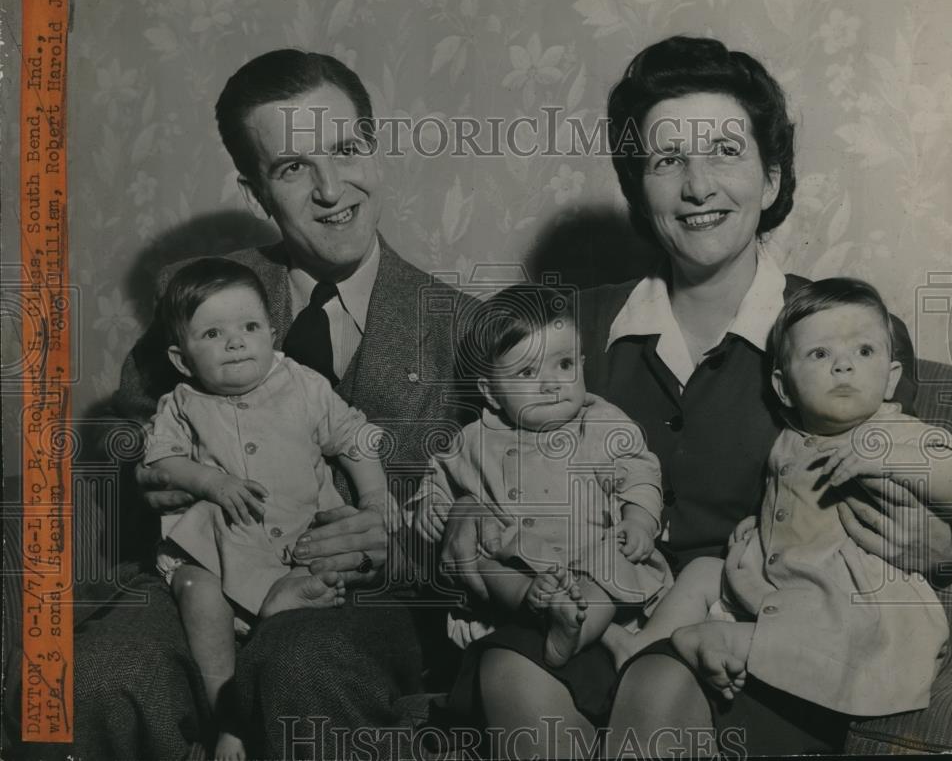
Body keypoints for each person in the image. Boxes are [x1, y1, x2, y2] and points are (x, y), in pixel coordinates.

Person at [439, 35, 952, 758]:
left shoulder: (842, 337)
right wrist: (469, 512)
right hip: (593, 606)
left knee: (656, 695)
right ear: (638, 188)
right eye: (667, 160)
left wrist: (932, 541)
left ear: (772, 179)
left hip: (754, 628)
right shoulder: (574, 331)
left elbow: (921, 508)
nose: (697, 185)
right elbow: (488, 465)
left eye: (725, 150)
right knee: (510, 673)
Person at [74, 49, 473, 760]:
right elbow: (121, 441)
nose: (330, 189)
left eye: (346, 150)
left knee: (300, 660)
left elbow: (497, 513)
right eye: (292, 168)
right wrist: (155, 473)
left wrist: (401, 545)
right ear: (256, 190)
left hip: (366, 610)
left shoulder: (460, 327)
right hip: (213, 582)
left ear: (374, 150)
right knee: (104, 672)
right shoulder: (199, 295)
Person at [625, 278, 952, 750]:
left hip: (854, 600)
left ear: (891, 377)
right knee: (704, 570)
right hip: (780, 577)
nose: (844, 364)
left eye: (864, 352)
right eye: (819, 355)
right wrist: (763, 526)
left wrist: (891, 461)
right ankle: (645, 643)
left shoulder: (894, 433)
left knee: (823, 615)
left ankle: (728, 642)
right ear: (784, 387)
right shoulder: (789, 437)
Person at [145, 257, 402, 760]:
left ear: (271, 332)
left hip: (297, 542)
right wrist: (210, 481)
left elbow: (353, 437)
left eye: (249, 327)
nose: (236, 342)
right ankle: (230, 719)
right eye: (213, 333)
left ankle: (280, 608)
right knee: (196, 591)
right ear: (181, 359)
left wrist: (374, 500)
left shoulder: (301, 384)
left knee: (321, 578)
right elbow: (162, 461)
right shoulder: (181, 402)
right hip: (217, 547)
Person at [414, 284, 670, 673]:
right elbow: (437, 481)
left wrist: (639, 520)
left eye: (564, 365)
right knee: (485, 559)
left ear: (582, 364)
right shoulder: (474, 440)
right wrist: (430, 510)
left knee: (617, 558)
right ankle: (537, 606)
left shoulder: (602, 424)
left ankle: (572, 629)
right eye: (528, 371)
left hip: (593, 557)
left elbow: (639, 471)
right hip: (524, 571)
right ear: (492, 392)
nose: (551, 384)